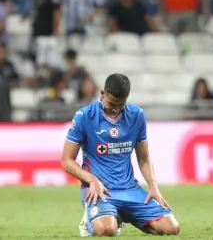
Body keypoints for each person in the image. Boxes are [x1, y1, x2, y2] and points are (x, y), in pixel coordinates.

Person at [61, 73, 180, 237]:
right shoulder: (85, 116)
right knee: (106, 230)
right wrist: (91, 180)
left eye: (120, 105)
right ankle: (95, 218)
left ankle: (117, 213)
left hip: (129, 188)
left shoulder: (136, 115)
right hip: (100, 189)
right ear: (102, 94)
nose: (116, 109)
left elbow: (144, 158)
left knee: (171, 229)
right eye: (111, 104)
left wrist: (153, 186)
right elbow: (66, 161)